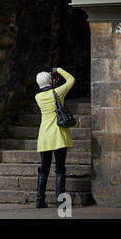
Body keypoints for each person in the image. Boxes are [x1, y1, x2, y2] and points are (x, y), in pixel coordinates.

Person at [34, 67, 75, 208]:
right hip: (58, 136)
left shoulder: (37, 97)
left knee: (44, 170)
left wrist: (50, 78)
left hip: (44, 136)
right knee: (59, 170)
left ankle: (40, 200)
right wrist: (59, 70)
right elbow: (71, 80)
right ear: (50, 80)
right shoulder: (57, 92)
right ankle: (60, 201)